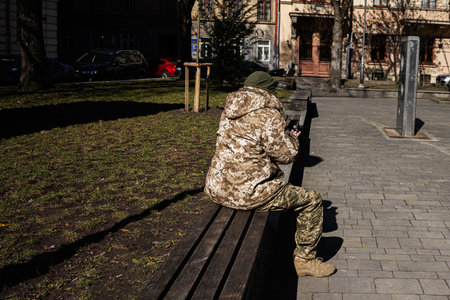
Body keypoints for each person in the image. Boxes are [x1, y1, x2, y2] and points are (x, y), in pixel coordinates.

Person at [204, 71, 335, 277]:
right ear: (268, 91)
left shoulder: (229, 111)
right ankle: (305, 260)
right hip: (247, 193)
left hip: (217, 187)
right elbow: (287, 155)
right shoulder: (268, 115)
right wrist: (292, 138)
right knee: (313, 201)